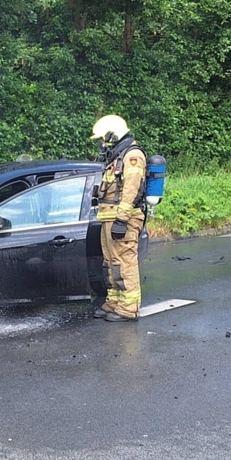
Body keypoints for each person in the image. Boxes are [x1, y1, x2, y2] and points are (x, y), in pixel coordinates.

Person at [91, 114, 147, 322]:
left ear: (112, 134)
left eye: (102, 139)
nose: (101, 143)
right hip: (109, 217)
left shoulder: (132, 156)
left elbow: (132, 189)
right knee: (111, 262)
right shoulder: (116, 157)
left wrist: (122, 220)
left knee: (124, 261)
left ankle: (129, 307)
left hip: (123, 218)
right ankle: (114, 302)